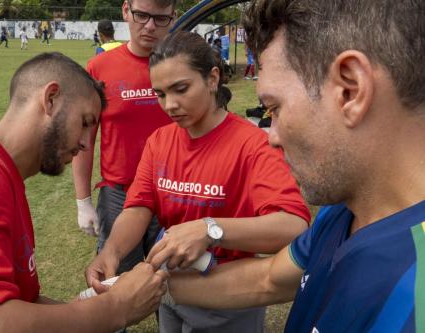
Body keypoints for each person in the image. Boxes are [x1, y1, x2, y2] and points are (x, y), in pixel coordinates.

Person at [162, 1, 425, 332]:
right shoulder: (345, 209)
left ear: (350, 89)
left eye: (273, 109)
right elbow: (270, 279)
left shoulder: (417, 298)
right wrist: (148, 288)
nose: (271, 137)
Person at [0, 52, 168, 332]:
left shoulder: (1, 175)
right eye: (86, 122)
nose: (87, 144)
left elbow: (16, 302)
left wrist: (81, 309)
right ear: (50, 99)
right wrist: (115, 309)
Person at [87, 31, 311, 333]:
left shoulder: (252, 144)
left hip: (230, 296)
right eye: (161, 94)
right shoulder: (160, 141)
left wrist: (209, 230)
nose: (169, 105)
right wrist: (111, 252)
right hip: (171, 289)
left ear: (212, 78)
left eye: (181, 89)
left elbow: (293, 226)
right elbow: (138, 207)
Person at [72, 0, 176, 275]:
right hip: (119, 194)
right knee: (114, 277)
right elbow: (84, 139)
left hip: (171, 191)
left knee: (168, 279)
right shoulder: (99, 68)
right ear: (125, 11)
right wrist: (83, 202)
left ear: (173, 17)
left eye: (160, 18)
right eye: (142, 15)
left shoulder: (182, 68)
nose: (150, 26)